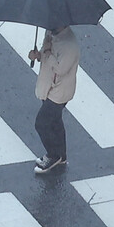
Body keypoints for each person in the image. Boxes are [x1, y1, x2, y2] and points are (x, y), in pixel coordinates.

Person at [27, 26, 80, 174]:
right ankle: (61, 155)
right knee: (55, 121)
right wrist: (38, 55)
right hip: (48, 86)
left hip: (59, 91)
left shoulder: (69, 45)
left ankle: (53, 155)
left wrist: (48, 52)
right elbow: (46, 56)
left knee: (42, 123)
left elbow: (60, 69)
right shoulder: (51, 32)